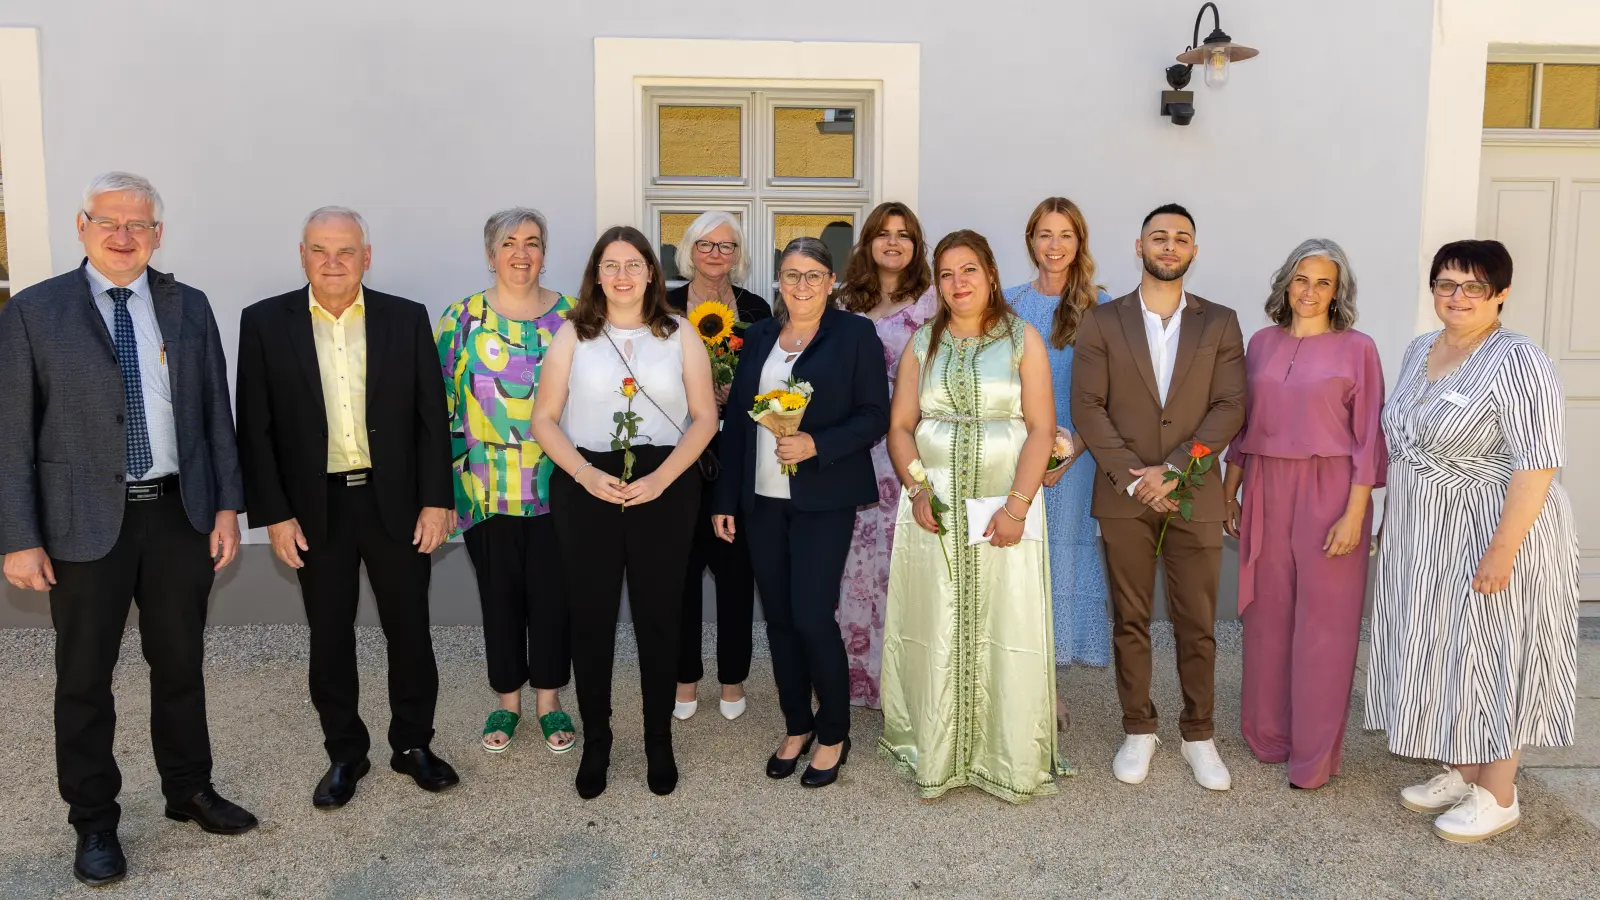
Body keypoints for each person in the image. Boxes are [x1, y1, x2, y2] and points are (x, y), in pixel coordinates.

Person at [0, 172, 257, 886]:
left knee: (180, 664)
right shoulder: (32, 312)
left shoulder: (188, 306)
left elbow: (215, 416)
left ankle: (188, 789)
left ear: (157, 235)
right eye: (109, 222)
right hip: (82, 525)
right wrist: (17, 536)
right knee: (84, 679)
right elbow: (10, 434)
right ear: (83, 226)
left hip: (179, 513)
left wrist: (228, 507)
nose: (123, 235)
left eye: (138, 225)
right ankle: (94, 823)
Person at [236, 207, 458, 809]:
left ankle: (413, 744)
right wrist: (275, 516)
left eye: (345, 251)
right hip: (314, 511)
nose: (333, 263)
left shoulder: (405, 319)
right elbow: (253, 431)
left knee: (409, 631)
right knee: (329, 636)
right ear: (302, 254)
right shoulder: (262, 323)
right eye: (319, 251)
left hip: (397, 504)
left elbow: (430, 421)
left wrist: (438, 500)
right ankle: (345, 753)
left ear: (367, 255)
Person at [1365, 239, 1578, 843]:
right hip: (1425, 530)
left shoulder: (1521, 361)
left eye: (1473, 287)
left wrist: (1503, 549)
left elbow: (1537, 465)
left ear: (1501, 294)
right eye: (1445, 284)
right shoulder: (1417, 350)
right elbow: (1404, 444)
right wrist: (1393, 518)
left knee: (1494, 650)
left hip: (1496, 525)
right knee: (1444, 647)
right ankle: (1462, 769)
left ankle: (1499, 792)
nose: (1457, 297)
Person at [529, 226, 717, 799]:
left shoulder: (680, 333)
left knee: (660, 617)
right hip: (587, 485)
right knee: (591, 619)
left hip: (666, 484)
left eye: (633, 264)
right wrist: (584, 475)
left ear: (651, 273)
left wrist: (662, 478)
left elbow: (705, 419)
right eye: (610, 265)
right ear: (596, 275)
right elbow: (544, 419)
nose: (622, 275)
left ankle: (658, 740)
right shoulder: (572, 336)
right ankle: (598, 744)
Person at [879, 230, 1065, 803]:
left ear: (989, 273)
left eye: (969, 271)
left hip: (1002, 506)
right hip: (932, 508)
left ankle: (1002, 753)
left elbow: (1040, 428)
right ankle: (934, 746)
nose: (958, 284)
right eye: (947, 274)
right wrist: (915, 489)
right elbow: (901, 427)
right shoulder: (921, 344)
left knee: (1004, 620)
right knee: (935, 622)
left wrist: (1017, 506)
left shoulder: (1021, 339)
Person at [1070, 203, 1245, 791]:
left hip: (1195, 494)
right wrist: (1135, 476)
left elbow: (1230, 406)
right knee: (1131, 618)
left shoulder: (1219, 323)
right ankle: (1138, 728)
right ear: (1138, 246)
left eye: (1182, 239)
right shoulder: (1102, 320)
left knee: (1198, 623)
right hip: (1123, 495)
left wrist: (1174, 471)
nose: (1170, 246)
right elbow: (1087, 408)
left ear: (1194, 251)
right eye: (1159, 237)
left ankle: (1199, 734)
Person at [713, 237, 889, 787]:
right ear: (779, 282)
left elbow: (873, 416)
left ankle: (834, 731)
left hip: (822, 498)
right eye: (792, 275)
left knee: (813, 615)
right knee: (782, 619)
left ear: (831, 281)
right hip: (762, 500)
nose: (802, 285)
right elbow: (740, 423)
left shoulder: (854, 334)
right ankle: (797, 724)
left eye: (813, 275)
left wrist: (815, 443)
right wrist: (725, 500)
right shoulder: (760, 335)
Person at [1221, 238, 1385, 789]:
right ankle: (1268, 738)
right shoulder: (1261, 344)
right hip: (1266, 485)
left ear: (1338, 292)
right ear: (1285, 283)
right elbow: (1244, 426)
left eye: (1323, 283)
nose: (1310, 292)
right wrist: (1230, 491)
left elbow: (1368, 438)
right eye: (1301, 279)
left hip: (1331, 490)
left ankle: (1313, 758)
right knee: (1267, 618)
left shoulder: (1357, 348)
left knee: (1325, 626)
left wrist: (1355, 512)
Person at [436, 208, 575, 754]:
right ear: (491, 254)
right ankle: (506, 700)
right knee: (500, 597)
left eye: (533, 242)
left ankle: (549, 700)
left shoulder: (572, 316)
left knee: (552, 597)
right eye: (510, 243)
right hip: (482, 487)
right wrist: (440, 493)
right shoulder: (461, 319)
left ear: (545, 252)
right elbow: (441, 405)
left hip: (559, 487)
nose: (522, 253)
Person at [663, 211, 771, 722]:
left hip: (736, 457)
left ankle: (733, 679)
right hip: (676, 455)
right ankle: (685, 678)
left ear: (738, 255)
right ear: (689, 250)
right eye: (706, 245)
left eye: (726, 247)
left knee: (734, 572)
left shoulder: (756, 309)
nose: (715, 255)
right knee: (678, 571)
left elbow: (771, 378)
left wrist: (737, 394)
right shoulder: (661, 304)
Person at [1004, 197, 1114, 689]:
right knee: (1021, 563)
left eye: (1065, 235)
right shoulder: (1007, 305)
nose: (1055, 245)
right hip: (1020, 449)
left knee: (1061, 566)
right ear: (1030, 240)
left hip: (1078, 455)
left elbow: (1113, 394)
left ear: (1079, 242)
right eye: (1045, 234)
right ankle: (1020, 681)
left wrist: (1071, 454)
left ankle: (1049, 690)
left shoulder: (1102, 308)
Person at [834, 201, 936, 709]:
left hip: (910, 448)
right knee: (852, 567)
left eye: (905, 235)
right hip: (852, 450)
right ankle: (854, 682)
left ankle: (903, 686)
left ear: (917, 246)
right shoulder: (843, 302)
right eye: (883, 233)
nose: (893, 242)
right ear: (868, 242)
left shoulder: (935, 304)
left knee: (904, 565)